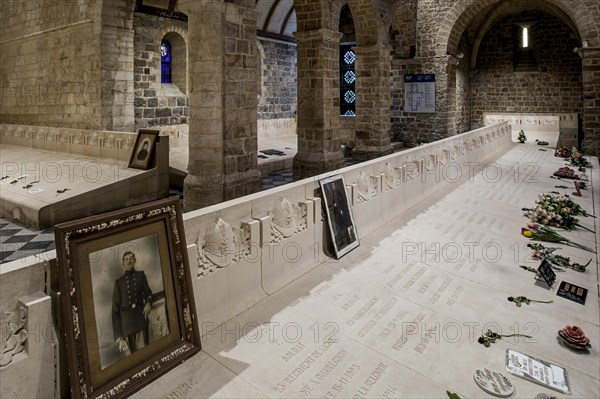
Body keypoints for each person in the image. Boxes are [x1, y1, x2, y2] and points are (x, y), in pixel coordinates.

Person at [112, 251, 153, 354]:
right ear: (123, 263)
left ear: (135, 261)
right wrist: (119, 336)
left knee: (146, 352)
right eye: (126, 260)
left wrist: (148, 304)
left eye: (131, 259)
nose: (129, 261)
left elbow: (148, 294)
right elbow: (115, 310)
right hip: (126, 325)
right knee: (132, 357)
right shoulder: (119, 283)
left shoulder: (141, 276)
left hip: (141, 318)